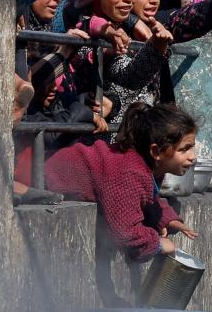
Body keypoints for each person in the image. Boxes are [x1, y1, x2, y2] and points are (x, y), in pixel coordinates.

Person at [45, 102, 198, 261]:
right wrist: (157, 244)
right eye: (184, 149)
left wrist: (167, 218)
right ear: (156, 151)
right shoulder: (127, 171)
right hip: (41, 181)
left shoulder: (145, 166)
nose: (193, 156)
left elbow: (146, 197)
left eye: (192, 147)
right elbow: (125, 233)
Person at [65, 0, 173, 127]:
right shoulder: (87, 34)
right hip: (100, 144)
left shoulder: (120, 27)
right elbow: (129, 76)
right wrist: (156, 47)